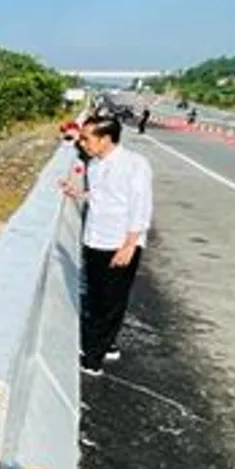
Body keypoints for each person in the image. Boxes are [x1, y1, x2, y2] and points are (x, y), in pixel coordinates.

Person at [58, 115, 153, 376]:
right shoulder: (95, 164)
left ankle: (93, 360)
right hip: (94, 239)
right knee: (99, 296)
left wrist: (129, 245)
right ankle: (107, 344)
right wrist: (78, 193)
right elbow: (104, 196)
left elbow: (141, 208)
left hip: (119, 243)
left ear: (105, 138)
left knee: (109, 302)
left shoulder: (135, 165)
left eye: (87, 139)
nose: (83, 143)